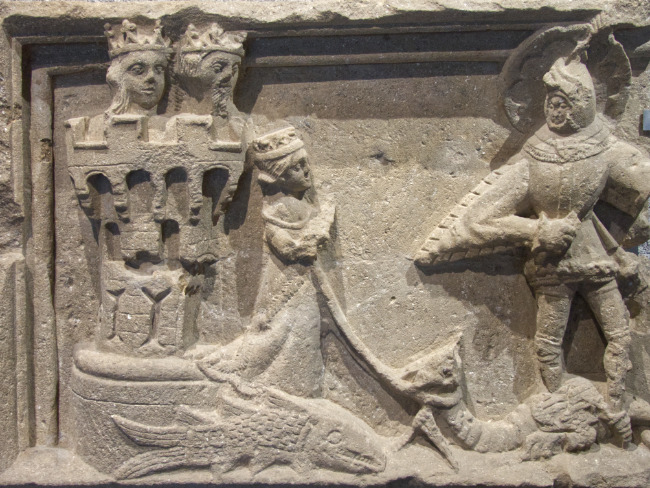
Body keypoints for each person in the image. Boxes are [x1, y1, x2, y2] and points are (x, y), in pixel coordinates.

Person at [416, 55, 650, 426]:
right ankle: (559, 408)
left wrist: (625, 245)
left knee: (620, 333)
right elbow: (478, 220)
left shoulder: (604, 149)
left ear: (585, 104)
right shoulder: (535, 158)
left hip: (596, 258)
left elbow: (638, 191)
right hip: (552, 264)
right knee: (549, 340)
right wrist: (537, 231)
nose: (557, 112)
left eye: (565, 103)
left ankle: (618, 407)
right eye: (551, 103)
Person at [200, 126, 336, 398]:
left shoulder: (299, 205)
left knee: (302, 328)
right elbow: (289, 248)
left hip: (302, 283)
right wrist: (319, 229)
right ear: (278, 178)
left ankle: (295, 387)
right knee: (280, 330)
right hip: (284, 286)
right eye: (296, 168)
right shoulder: (277, 209)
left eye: (304, 163)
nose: (306, 171)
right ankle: (275, 385)